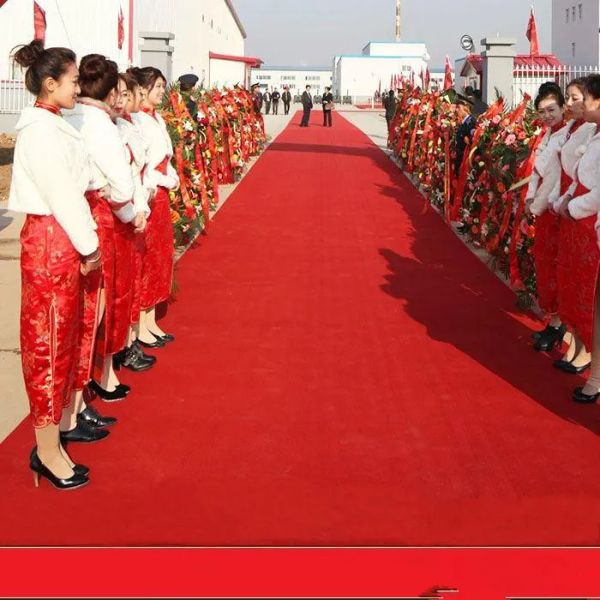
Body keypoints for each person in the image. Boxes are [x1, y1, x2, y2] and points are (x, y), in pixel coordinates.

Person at [9, 40, 100, 489]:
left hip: (62, 239)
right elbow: (63, 194)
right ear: (50, 84)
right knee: (46, 345)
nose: (78, 87)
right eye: (73, 79)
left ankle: (55, 436)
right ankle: (46, 450)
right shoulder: (42, 131)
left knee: (63, 340)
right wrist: (89, 245)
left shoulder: (55, 124)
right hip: (51, 241)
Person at [63, 54, 142, 420]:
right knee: (97, 307)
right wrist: (132, 212)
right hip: (101, 220)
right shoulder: (100, 126)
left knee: (80, 312)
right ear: (111, 92)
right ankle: (80, 399)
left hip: (75, 219)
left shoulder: (70, 117)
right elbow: (122, 185)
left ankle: (79, 397)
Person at [554, 74, 600, 402]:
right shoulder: (591, 133)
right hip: (580, 220)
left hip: (590, 223)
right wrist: (565, 204)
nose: (578, 104)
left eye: (583, 98)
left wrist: (576, 207)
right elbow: (576, 175)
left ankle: (595, 376)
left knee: (593, 305)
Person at [130, 66, 179, 349]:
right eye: (157, 87)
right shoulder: (137, 121)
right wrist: (164, 178)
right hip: (150, 193)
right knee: (147, 260)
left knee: (160, 256)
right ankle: (140, 322)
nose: (161, 91)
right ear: (143, 90)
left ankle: (150, 320)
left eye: (163, 86)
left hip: (162, 192)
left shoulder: (157, 118)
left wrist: (169, 176)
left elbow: (165, 158)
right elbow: (144, 166)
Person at [113, 71, 156, 373]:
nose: (127, 100)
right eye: (126, 94)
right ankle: (119, 351)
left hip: (137, 205)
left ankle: (131, 340)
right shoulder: (105, 128)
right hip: (119, 215)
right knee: (119, 288)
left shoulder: (131, 123)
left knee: (136, 276)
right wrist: (133, 211)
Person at [524, 83, 568, 356]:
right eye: (542, 111)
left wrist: (537, 204)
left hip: (556, 212)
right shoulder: (548, 134)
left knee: (557, 270)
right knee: (546, 269)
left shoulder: (569, 137)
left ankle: (561, 325)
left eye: (552, 109)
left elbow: (554, 179)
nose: (547, 115)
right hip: (542, 210)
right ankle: (555, 321)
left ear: (564, 107)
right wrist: (531, 199)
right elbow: (537, 174)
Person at [453, 95, 477, 176]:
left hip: (465, 159)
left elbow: (471, 141)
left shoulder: (471, 121)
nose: (456, 110)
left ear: (466, 108)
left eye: (458, 107)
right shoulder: (464, 121)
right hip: (459, 158)